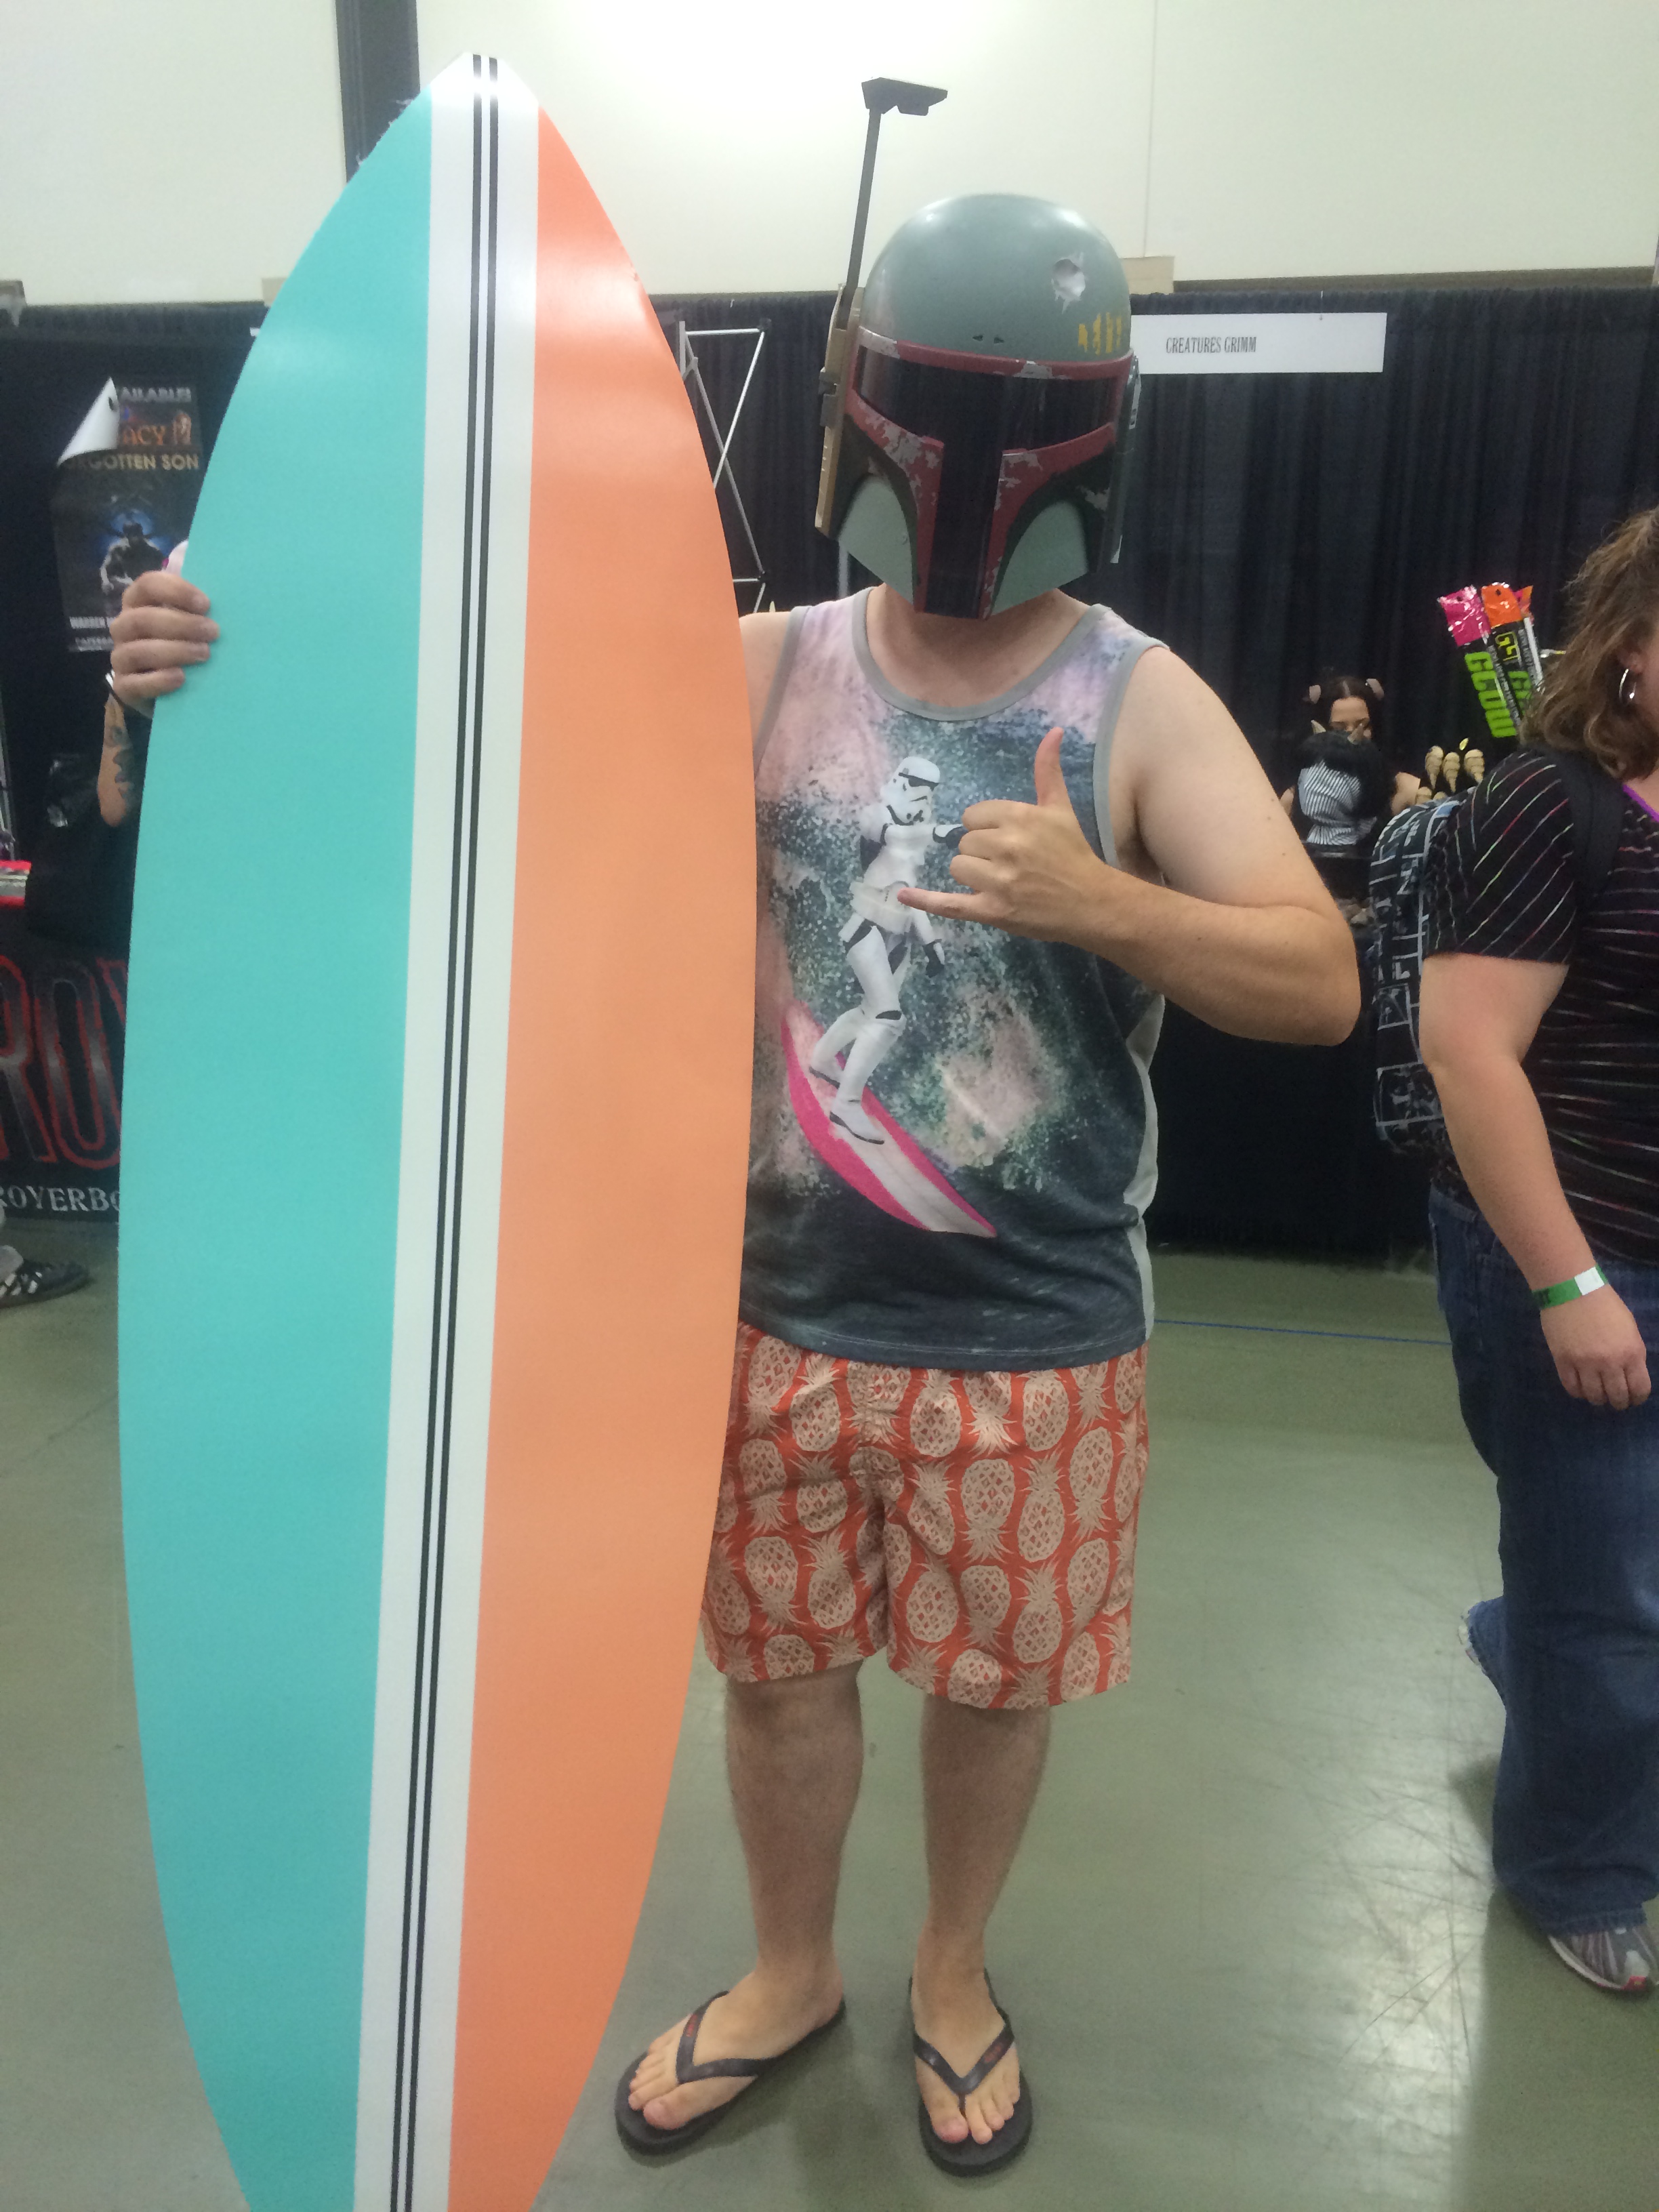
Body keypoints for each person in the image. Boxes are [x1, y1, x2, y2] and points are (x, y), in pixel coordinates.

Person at [112, 194, 1357, 2170]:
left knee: (988, 1685)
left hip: (1032, 1336)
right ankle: (790, 1970)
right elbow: (452, 744)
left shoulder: (1135, 700)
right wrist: (195, 666)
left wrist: (1103, 901)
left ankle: (950, 1969)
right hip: (772, 1316)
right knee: (776, 1678)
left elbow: (1318, 978)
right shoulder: (761, 668)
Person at [1420, 504, 1659, 1995]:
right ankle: (1579, 1867)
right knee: (1606, 1589)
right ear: (1628, 648)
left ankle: (1521, 1641)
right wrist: (1569, 1283)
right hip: (1585, 1251)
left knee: (1612, 1572)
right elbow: (1469, 1050)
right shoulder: (1547, 804)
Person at [1279, 674, 1418, 911]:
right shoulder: (1293, 801)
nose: (1354, 736)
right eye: (1339, 729)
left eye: (1364, 726)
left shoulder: (1407, 791)